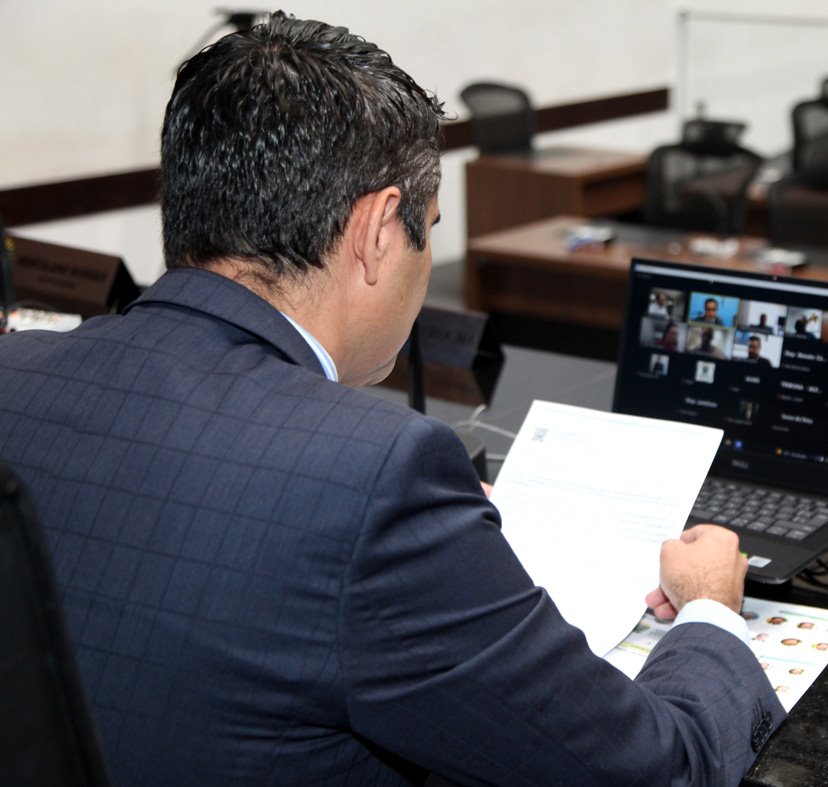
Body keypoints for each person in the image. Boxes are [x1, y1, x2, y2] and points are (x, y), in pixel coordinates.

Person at [0, 13, 783, 786]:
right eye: (429, 228)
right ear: (378, 231)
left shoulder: (13, 373)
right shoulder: (373, 471)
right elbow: (654, 769)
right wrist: (712, 610)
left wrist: (435, 541)